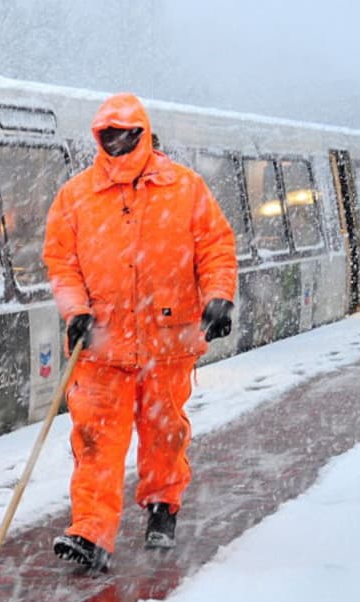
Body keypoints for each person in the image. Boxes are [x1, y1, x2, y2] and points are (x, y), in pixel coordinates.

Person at [43, 93, 238, 570]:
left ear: (143, 134)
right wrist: (75, 311)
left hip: (168, 342)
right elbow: (61, 263)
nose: (116, 143)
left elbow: (216, 246)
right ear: (97, 138)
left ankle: (161, 505)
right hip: (101, 346)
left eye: (125, 134)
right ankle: (90, 533)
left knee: (164, 432)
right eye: (107, 135)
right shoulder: (76, 196)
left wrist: (219, 295)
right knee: (94, 442)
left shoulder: (186, 189)